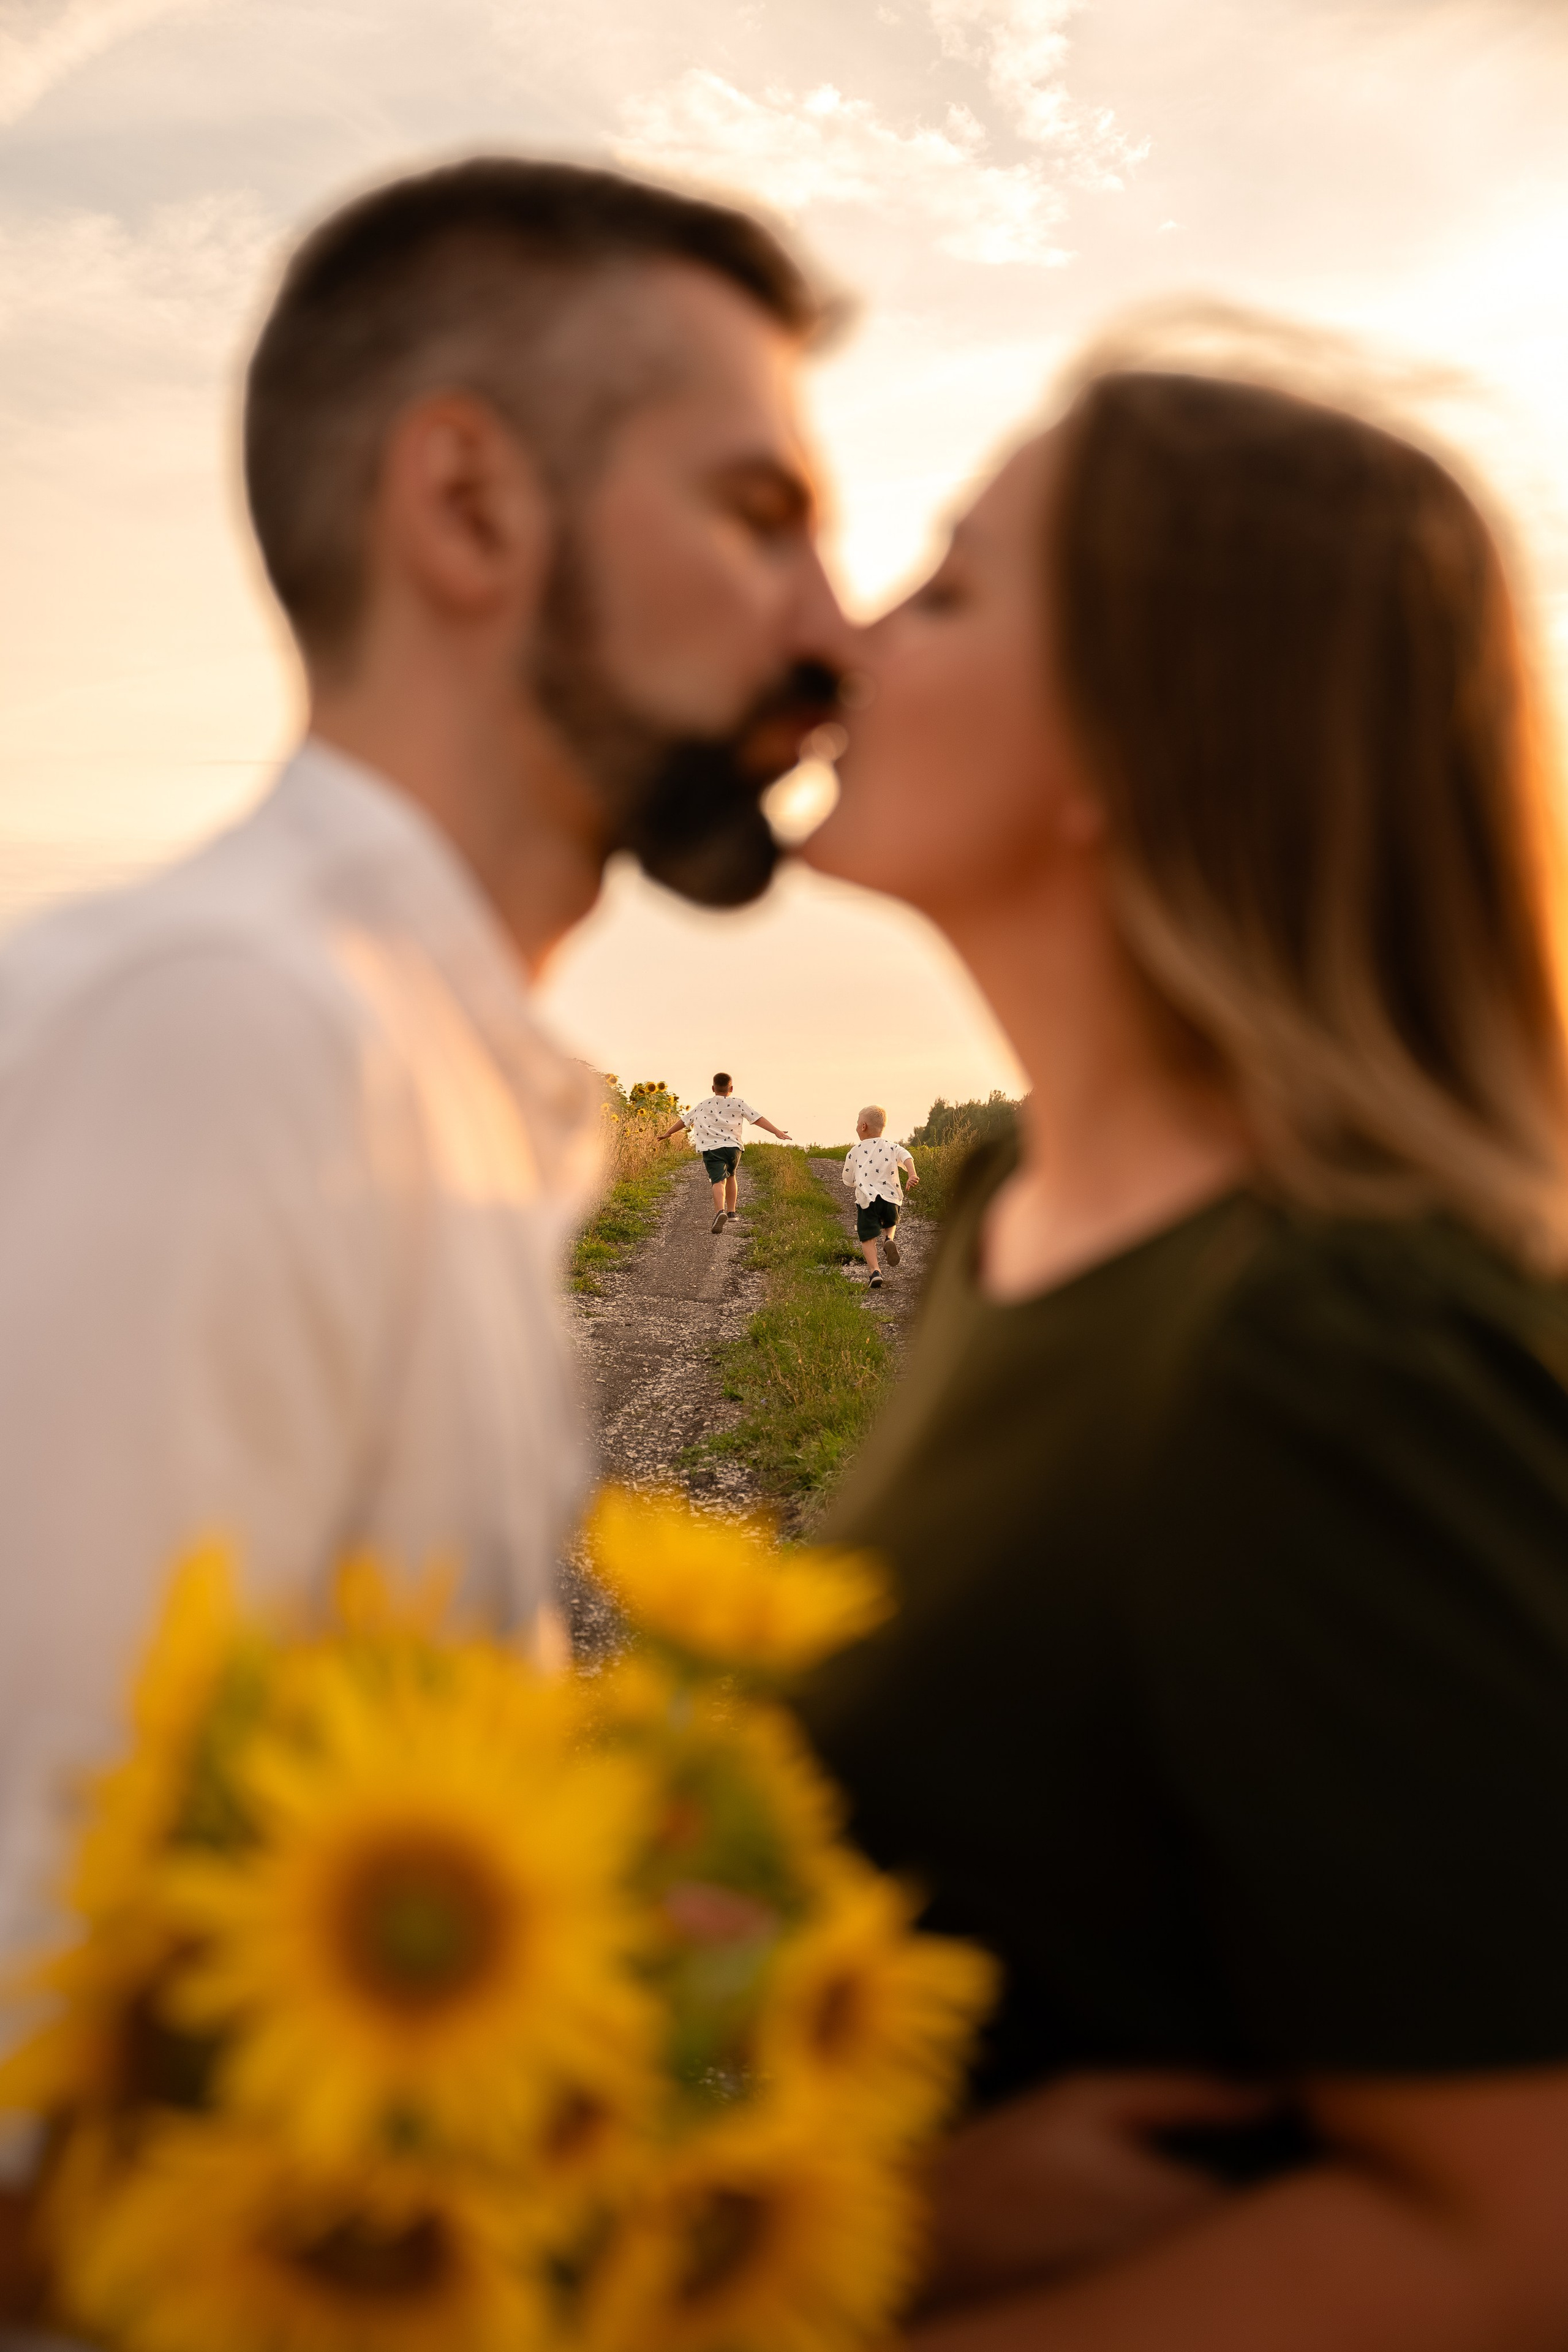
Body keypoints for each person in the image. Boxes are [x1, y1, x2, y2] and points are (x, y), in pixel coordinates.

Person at [0, 157, 854, 2003]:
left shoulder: (418, 1072)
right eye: (754, 516)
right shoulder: (224, 1048)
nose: (829, 632)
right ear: (469, 508)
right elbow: (54, 2016)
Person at [796, 360, 1568, 2348]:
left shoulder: (1338, 1344)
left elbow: (1517, 2239)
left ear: (1129, 743)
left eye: (948, 589)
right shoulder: (1009, 1225)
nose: (848, 631)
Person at [660, 1071, 791, 1229]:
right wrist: (776, 1131)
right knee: (732, 1176)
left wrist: (669, 1133)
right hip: (733, 1148)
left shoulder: (703, 1105)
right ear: (731, 1089)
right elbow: (757, 1118)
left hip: (711, 1148)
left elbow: (685, 1120)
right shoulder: (738, 1102)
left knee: (718, 1181)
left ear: (713, 1088)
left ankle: (719, 1212)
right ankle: (732, 1213)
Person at [842, 1103, 918, 1284]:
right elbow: (907, 1157)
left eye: (857, 1123)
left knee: (867, 1237)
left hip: (867, 1200)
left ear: (863, 1126)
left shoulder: (855, 1152)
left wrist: (855, 1182)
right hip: (890, 1198)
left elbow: (847, 1178)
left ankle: (875, 1271)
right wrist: (912, 1174)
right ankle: (889, 1238)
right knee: (890, 1221)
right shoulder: (892, 1147)